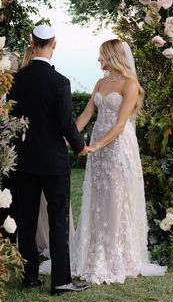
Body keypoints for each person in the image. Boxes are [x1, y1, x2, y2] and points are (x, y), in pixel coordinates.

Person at [70, 39, 166, 284]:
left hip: (117, 148)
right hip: (97, 149)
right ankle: (93, 252)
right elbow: (86, 115)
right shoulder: (100, 83)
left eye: (101, 55)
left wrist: (98, 144)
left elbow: (121, 124)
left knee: (116, 197)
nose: (98, 60)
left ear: (112, 56)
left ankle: (115, 256)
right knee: (97, 196)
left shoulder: (130, 84)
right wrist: (70, 138)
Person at [9, 24, 89, 295]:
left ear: (32, 44)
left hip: (25, 160)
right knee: (58, 221)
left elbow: (11, 121)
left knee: (27, 221)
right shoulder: (60, 82)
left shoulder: (16, 80)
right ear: (54, 45)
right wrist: (80, 147)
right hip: (54, 162)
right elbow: (66, 123)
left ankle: (29, 276)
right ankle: (60, 281)